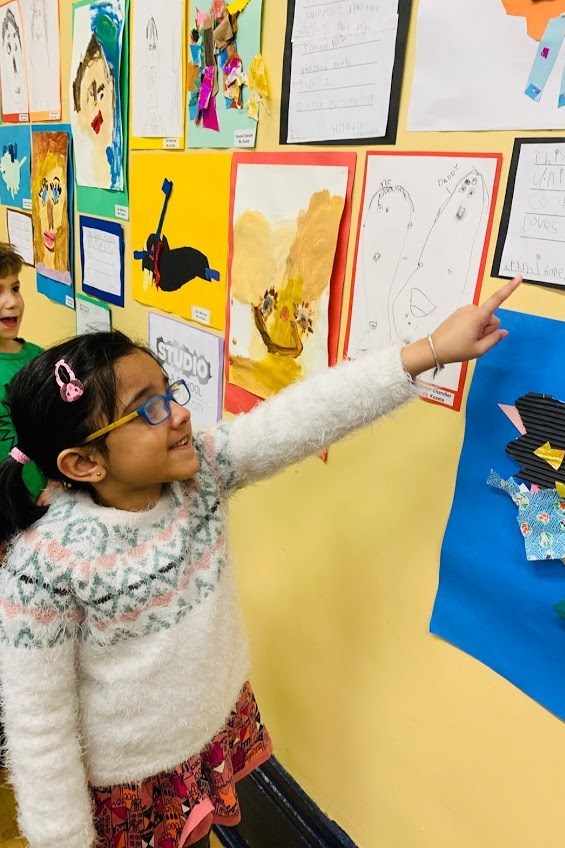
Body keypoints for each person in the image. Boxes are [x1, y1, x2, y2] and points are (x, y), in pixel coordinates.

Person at [0, 277, 521, 848]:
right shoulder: (43, 569)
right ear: (84, 463)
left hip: (211, 733)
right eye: (147, 410)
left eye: (168, 391)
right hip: (128, 786)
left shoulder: (202, 474)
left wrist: (430, 351)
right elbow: (38, 730)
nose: (178, 413)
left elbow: (300, 418)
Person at [0, 243, 46, 503]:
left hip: (39, 504)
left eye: (15, 289)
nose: (12, 302)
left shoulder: (40, 359)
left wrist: (54, 485)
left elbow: (57, 428)